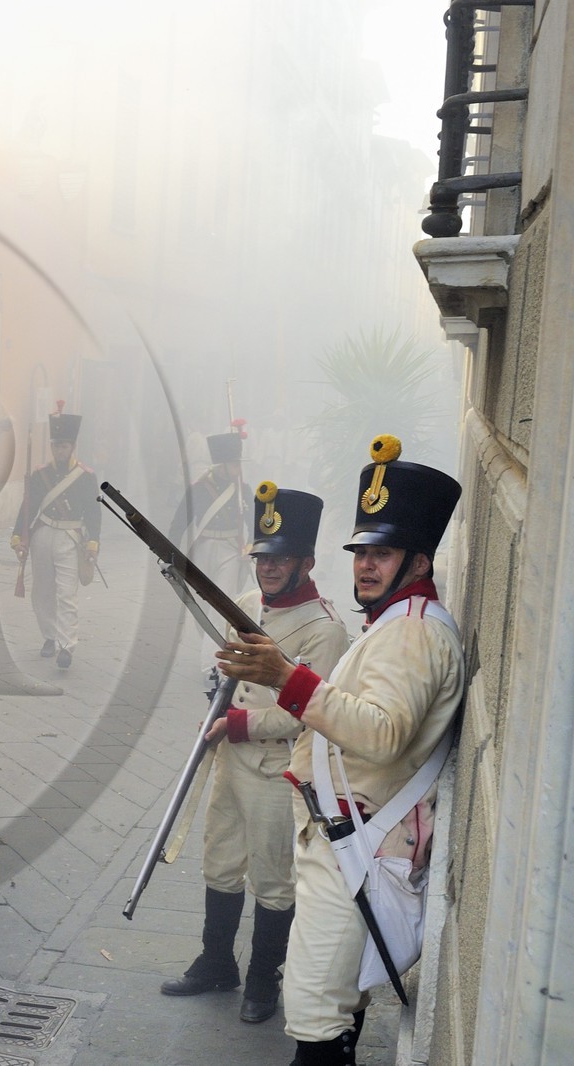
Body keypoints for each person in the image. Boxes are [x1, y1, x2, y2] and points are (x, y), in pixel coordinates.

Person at [216, 436, 464, 1064]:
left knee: (314, 1016)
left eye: (381, 553)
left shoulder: (410, 634)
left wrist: (287, 681)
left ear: (419, 560)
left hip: (355, 845)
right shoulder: (396, 624)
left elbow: (382, 733)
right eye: (361, 552)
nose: (365, 566)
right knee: (330, 1004)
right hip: (347, 837)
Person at [160, 484, 349, 1025]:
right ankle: (217, 962)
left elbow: (308, 711)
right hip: (232, 758)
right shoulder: (242, 607)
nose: (268, 567)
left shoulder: (325, 629)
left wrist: (239, 723)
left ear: (306, 562)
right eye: (262, 555)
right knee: (219, 861)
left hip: (276, 771)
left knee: (273, 878)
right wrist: (217, 712)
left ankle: (265, 979)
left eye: (281, 557)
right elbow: (226, 676)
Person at [11, 407, 99, 669]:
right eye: (56, 445)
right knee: (42, 591)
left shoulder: (86, 476)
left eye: (63, 445)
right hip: (43, 534)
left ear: (72, 446)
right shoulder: (41, 474)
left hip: (70, 537)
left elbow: (94, 513)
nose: (59, 450)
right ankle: (49, 636)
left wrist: (93, 542)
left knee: (66, 593)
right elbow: (28, 506)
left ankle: (66, 645)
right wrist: (19, 535)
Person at [173, 427, 250, 596]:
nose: (239, 470)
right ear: (222, 467)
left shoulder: (243, 490)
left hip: (231, 549)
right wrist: (172, 554)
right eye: (235, 465)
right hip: (203, 546)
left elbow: (254, 523)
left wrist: (250, 546)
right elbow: (179, 524)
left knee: (224, 599)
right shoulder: (199, 489)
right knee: (200, 599)